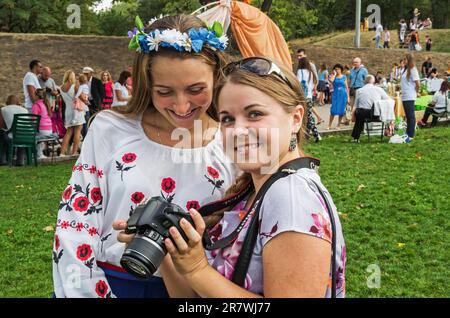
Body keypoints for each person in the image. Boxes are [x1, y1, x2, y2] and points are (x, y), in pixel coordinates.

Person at [116, 56, 347, 297]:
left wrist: (198, 269)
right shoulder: (254, 189)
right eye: (227, 119)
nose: (237, 131)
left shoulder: (290, 195)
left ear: (296, 119)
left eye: (255, 114)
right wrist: (163, 244)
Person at [52, 14, 235, 298]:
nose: (182, 105)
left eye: (196, 90)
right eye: (164, 92)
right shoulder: (110, 130)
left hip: (199, 292)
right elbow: (75, 224)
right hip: (109, 284)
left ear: (217, 78)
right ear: (146, 84)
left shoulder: (233, 143)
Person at [351, 75, 392, 142]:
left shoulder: (359, 90)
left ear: (365, 81)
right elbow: (388, 100)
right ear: (373, 81)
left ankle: (356, 137)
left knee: (359, 113)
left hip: (362, 115)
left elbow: (356, 106)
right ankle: (390, 131)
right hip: (376, 114)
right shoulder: (379, 89)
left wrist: (353, 115)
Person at [59, 70, 85, 156]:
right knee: (78, 130)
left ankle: (62, 153)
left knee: (69, 132)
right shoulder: (74, 86)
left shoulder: (61, 87)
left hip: (68, 110)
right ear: (72, 77)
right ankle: (74, 152)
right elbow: (81, 98)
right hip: (76, 110)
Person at [297, 57, 322, 142]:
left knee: (306, 116)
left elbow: (298, 83)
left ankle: (316, 135)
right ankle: (308, 135)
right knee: (308, 116)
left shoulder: (300, 71)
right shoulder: (311, 73)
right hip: (309, 96)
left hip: (302, 97)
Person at [0, 95, 28, 165]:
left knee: (2, 134)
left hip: (10, 137)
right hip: (25, 137)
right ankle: (20, 161)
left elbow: (1, 124)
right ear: (18, 102)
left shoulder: (3, 109)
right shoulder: (25, 110)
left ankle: (2, 160)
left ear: (7, 102)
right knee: (20, 135)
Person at [401, 54, 420, 142]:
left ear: (409, 60)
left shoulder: (413, 69)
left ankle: (411, 135)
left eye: (405, 59)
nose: (404, 61)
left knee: (411, 116)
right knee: (407, 116)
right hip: (405, 96)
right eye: (403, 59)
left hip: (410, 95)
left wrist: (416, 92)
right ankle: (408, 133)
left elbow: (417, 83)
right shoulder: (405, 70)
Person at [81, 67, 105, 138]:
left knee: (96, 119)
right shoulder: (82, 81)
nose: (85, 75)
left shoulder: (97, 81)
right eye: (84, 73)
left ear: (91, 73)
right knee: (86, 120)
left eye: (87, 73)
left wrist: (99, 103)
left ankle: (97, 135)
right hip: (85, 103)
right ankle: (88, 135)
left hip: (95, 103)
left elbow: (102, 93)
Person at [32, 89, 55, 159]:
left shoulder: (36, 105)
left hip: (42, 130)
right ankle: (39, 153)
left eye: (34, 94)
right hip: (49, 129)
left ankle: (39, 153)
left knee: (32, 133)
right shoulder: (46, 103)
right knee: (38, 133)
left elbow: (34, 119)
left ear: (37, 96)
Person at [328, 64, 349, 130]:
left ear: (341, 70)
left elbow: (346, 87)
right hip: (336, 94)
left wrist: (348, 97)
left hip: (343, 94)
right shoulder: (332, 76)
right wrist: (334, 74)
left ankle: (338, 125)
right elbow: (331, 81)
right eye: (336, 69)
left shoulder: (344, 77)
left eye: (338, 69)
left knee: (341, 110)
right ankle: (329, 125)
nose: (337, 70)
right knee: (333, 110)